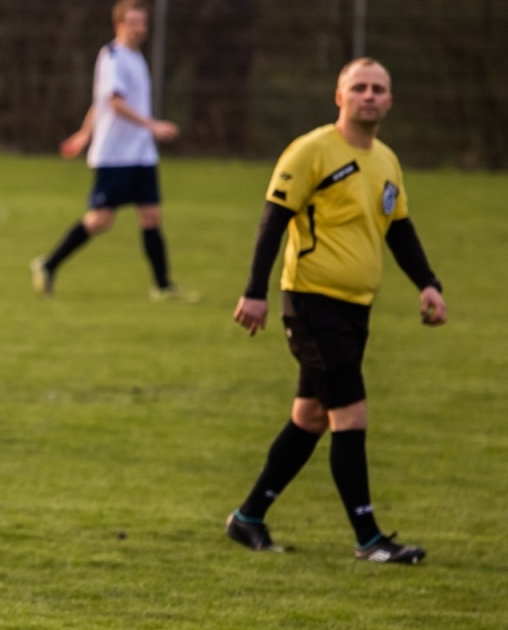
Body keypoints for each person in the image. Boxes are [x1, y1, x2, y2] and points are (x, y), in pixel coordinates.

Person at [226, 58, 445, 563]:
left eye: (378, 89)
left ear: (389, 100)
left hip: (356, 308)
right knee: (350, 412)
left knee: (310, 416)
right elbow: (272, 221)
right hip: (309, 302)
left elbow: (400, 230)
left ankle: (248, 518)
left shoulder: (387, 161)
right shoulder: (312, 151)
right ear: (339, 96)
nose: (369, 95)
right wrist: (254, 290)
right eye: (359, 87)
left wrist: (428, 284)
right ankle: (370, 539)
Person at [30, 0, 191, 301]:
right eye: (133, 22)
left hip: (141, 154)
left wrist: (83, 133)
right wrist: (151, 126)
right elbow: (113, 103)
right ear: (118, 24)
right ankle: (48, 264)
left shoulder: (135, 57)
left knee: (151, 216)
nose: (139, 28)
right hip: (116, 154)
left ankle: (163, 285)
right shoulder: (113, 57)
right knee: (101, 220)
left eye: (142, 22)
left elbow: (99, 102)